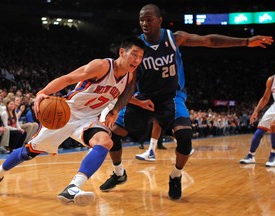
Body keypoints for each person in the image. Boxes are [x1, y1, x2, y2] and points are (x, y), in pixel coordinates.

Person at [99, 4, 274, 200]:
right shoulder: (137, 48)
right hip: (145, 98)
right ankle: (119, 173)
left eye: (149, 19)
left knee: (184, 137)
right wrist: (116, 109)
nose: (144, 23)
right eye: (141, 20)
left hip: (171, 97)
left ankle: (175, 175)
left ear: (159, 20)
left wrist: (246, 41)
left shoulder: (175, 38)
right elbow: (130, 85)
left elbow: (209, 41)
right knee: (112, 136)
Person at [0, 36, 146, 206]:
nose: (137, 60)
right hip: (66, 113)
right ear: (121, 52)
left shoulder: (130, 74)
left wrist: (115, 111)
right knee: (29, 152)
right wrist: (42, 92)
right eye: (134, 55)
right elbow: (68, 79)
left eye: (141, 57)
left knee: (105, 141)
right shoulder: (101, 66)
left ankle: (73, 187)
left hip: (89, 119)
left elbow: (128, 91)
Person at [239, 75, 275, 167]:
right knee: (259, 130)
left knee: (274, 126)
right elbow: (265, 98)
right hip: (273, 107)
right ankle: (251, 155)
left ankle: (273, 155)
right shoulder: (271, 79)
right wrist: (256, 111)